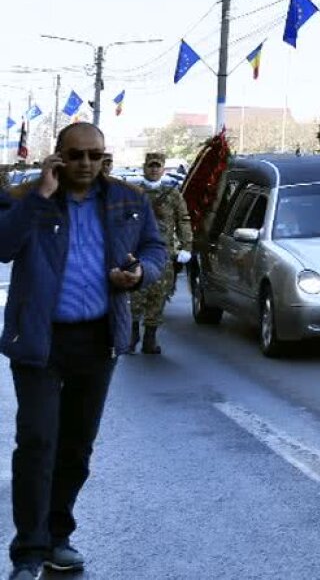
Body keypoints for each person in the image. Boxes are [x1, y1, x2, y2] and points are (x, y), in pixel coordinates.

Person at [0, 122, 167, 579]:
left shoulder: (129, 200)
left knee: (75, 448)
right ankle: (28, 552)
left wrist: (140, 274)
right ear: (58, 156)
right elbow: (2, 246)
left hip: (96, 340)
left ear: (105, 157)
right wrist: (40, 196)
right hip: (39, 341)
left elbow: (155, 248)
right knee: (37, 442)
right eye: (76, 155)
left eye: (95, 155)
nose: (86, 165)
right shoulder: (24, 197)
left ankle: (58, 537)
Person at [129, 152, 193, 354]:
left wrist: (186, 247)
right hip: (137, 252)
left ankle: (150, 337)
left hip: (163, 253)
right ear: (144, 167)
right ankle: (131, 334)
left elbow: (183, 220)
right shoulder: (134, 193)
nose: (154, 170)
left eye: (158, 166)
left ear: (163, 169)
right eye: (151, 166)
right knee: (135, 294)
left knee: (159, 294)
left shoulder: (173, 194)